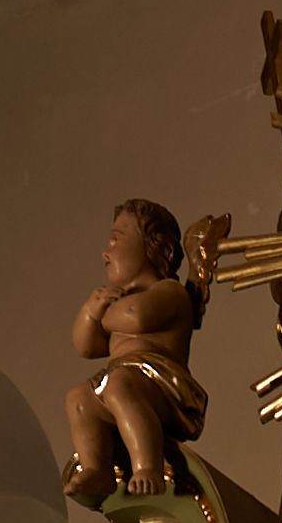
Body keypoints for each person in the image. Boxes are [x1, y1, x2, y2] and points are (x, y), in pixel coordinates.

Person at [64, 197, 219, 503]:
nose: (106, 252)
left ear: (153, 246)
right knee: (78, 398)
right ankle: (97, 467)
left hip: (162, 388)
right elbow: (85, 346)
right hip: (120, 381)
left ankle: (148, 466)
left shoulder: (169, 292)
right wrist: (90, 310)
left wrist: (104, 313)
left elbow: (137, 317)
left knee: (119, 385)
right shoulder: (114, 303)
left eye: (116, 240)